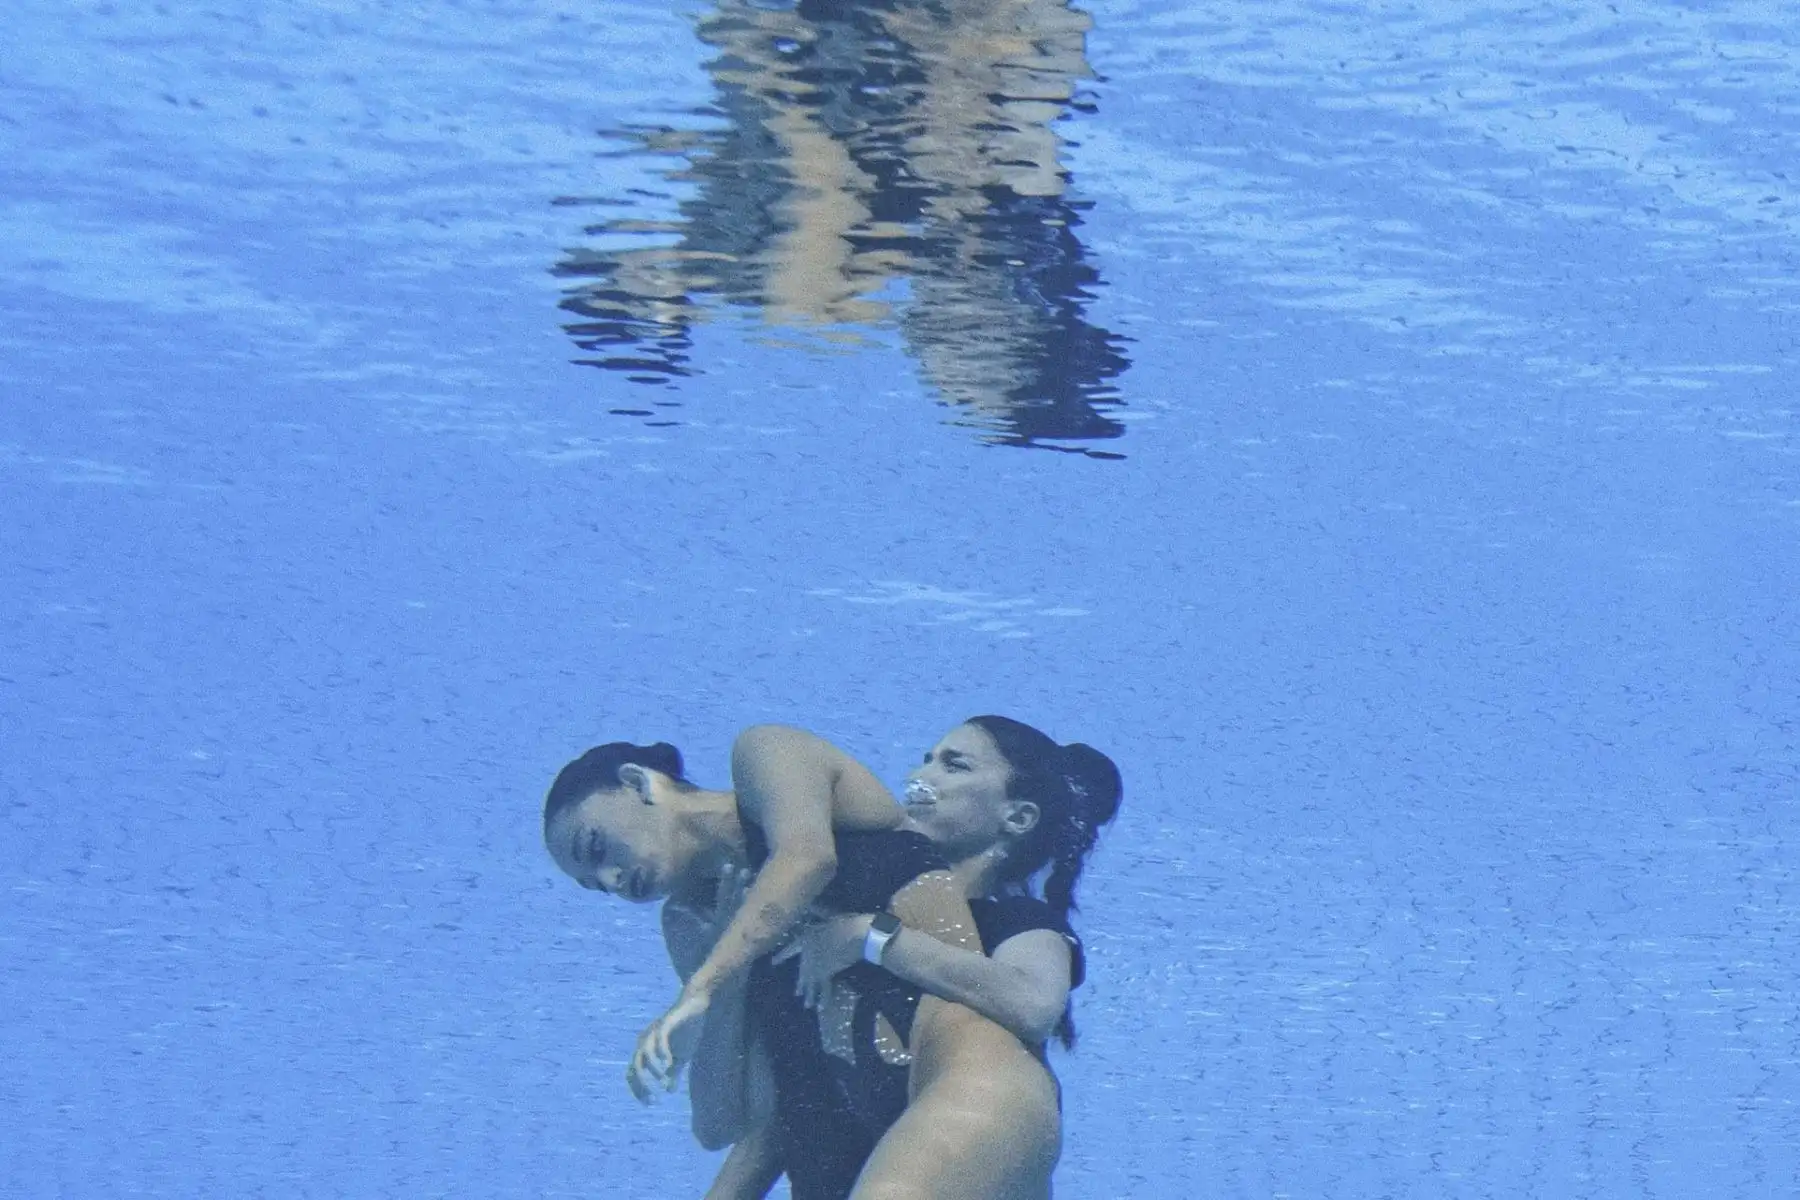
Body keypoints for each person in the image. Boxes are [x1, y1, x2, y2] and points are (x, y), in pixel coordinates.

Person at [542, 724, 1068, 1200]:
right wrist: (723, 991)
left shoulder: (767, 754)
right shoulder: (692, 923)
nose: (612, 880)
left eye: (596, 847)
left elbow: (807, 857)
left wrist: (704, 983)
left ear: (638, 781)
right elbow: (727, 1122)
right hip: (864, 1145)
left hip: (968, 1088)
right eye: (595, 886)